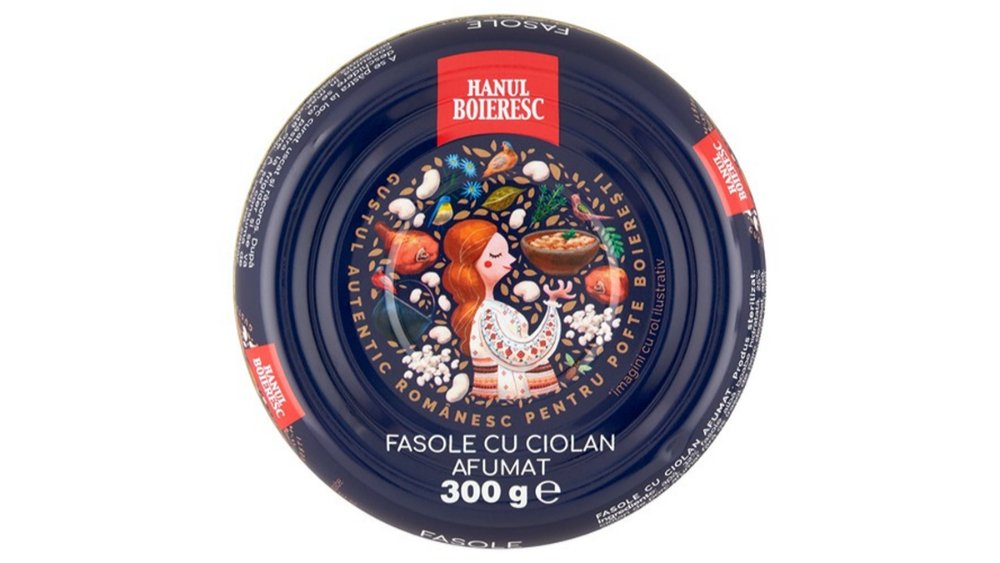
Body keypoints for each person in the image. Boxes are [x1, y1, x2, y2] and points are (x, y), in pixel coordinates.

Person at [442, 220, 575, 401]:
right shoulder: (486, 314)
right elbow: (522, 354)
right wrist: (552, 306)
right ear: (476, 263)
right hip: (511, 394)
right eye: (498, 255)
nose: (511, 259)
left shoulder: (492, 307)